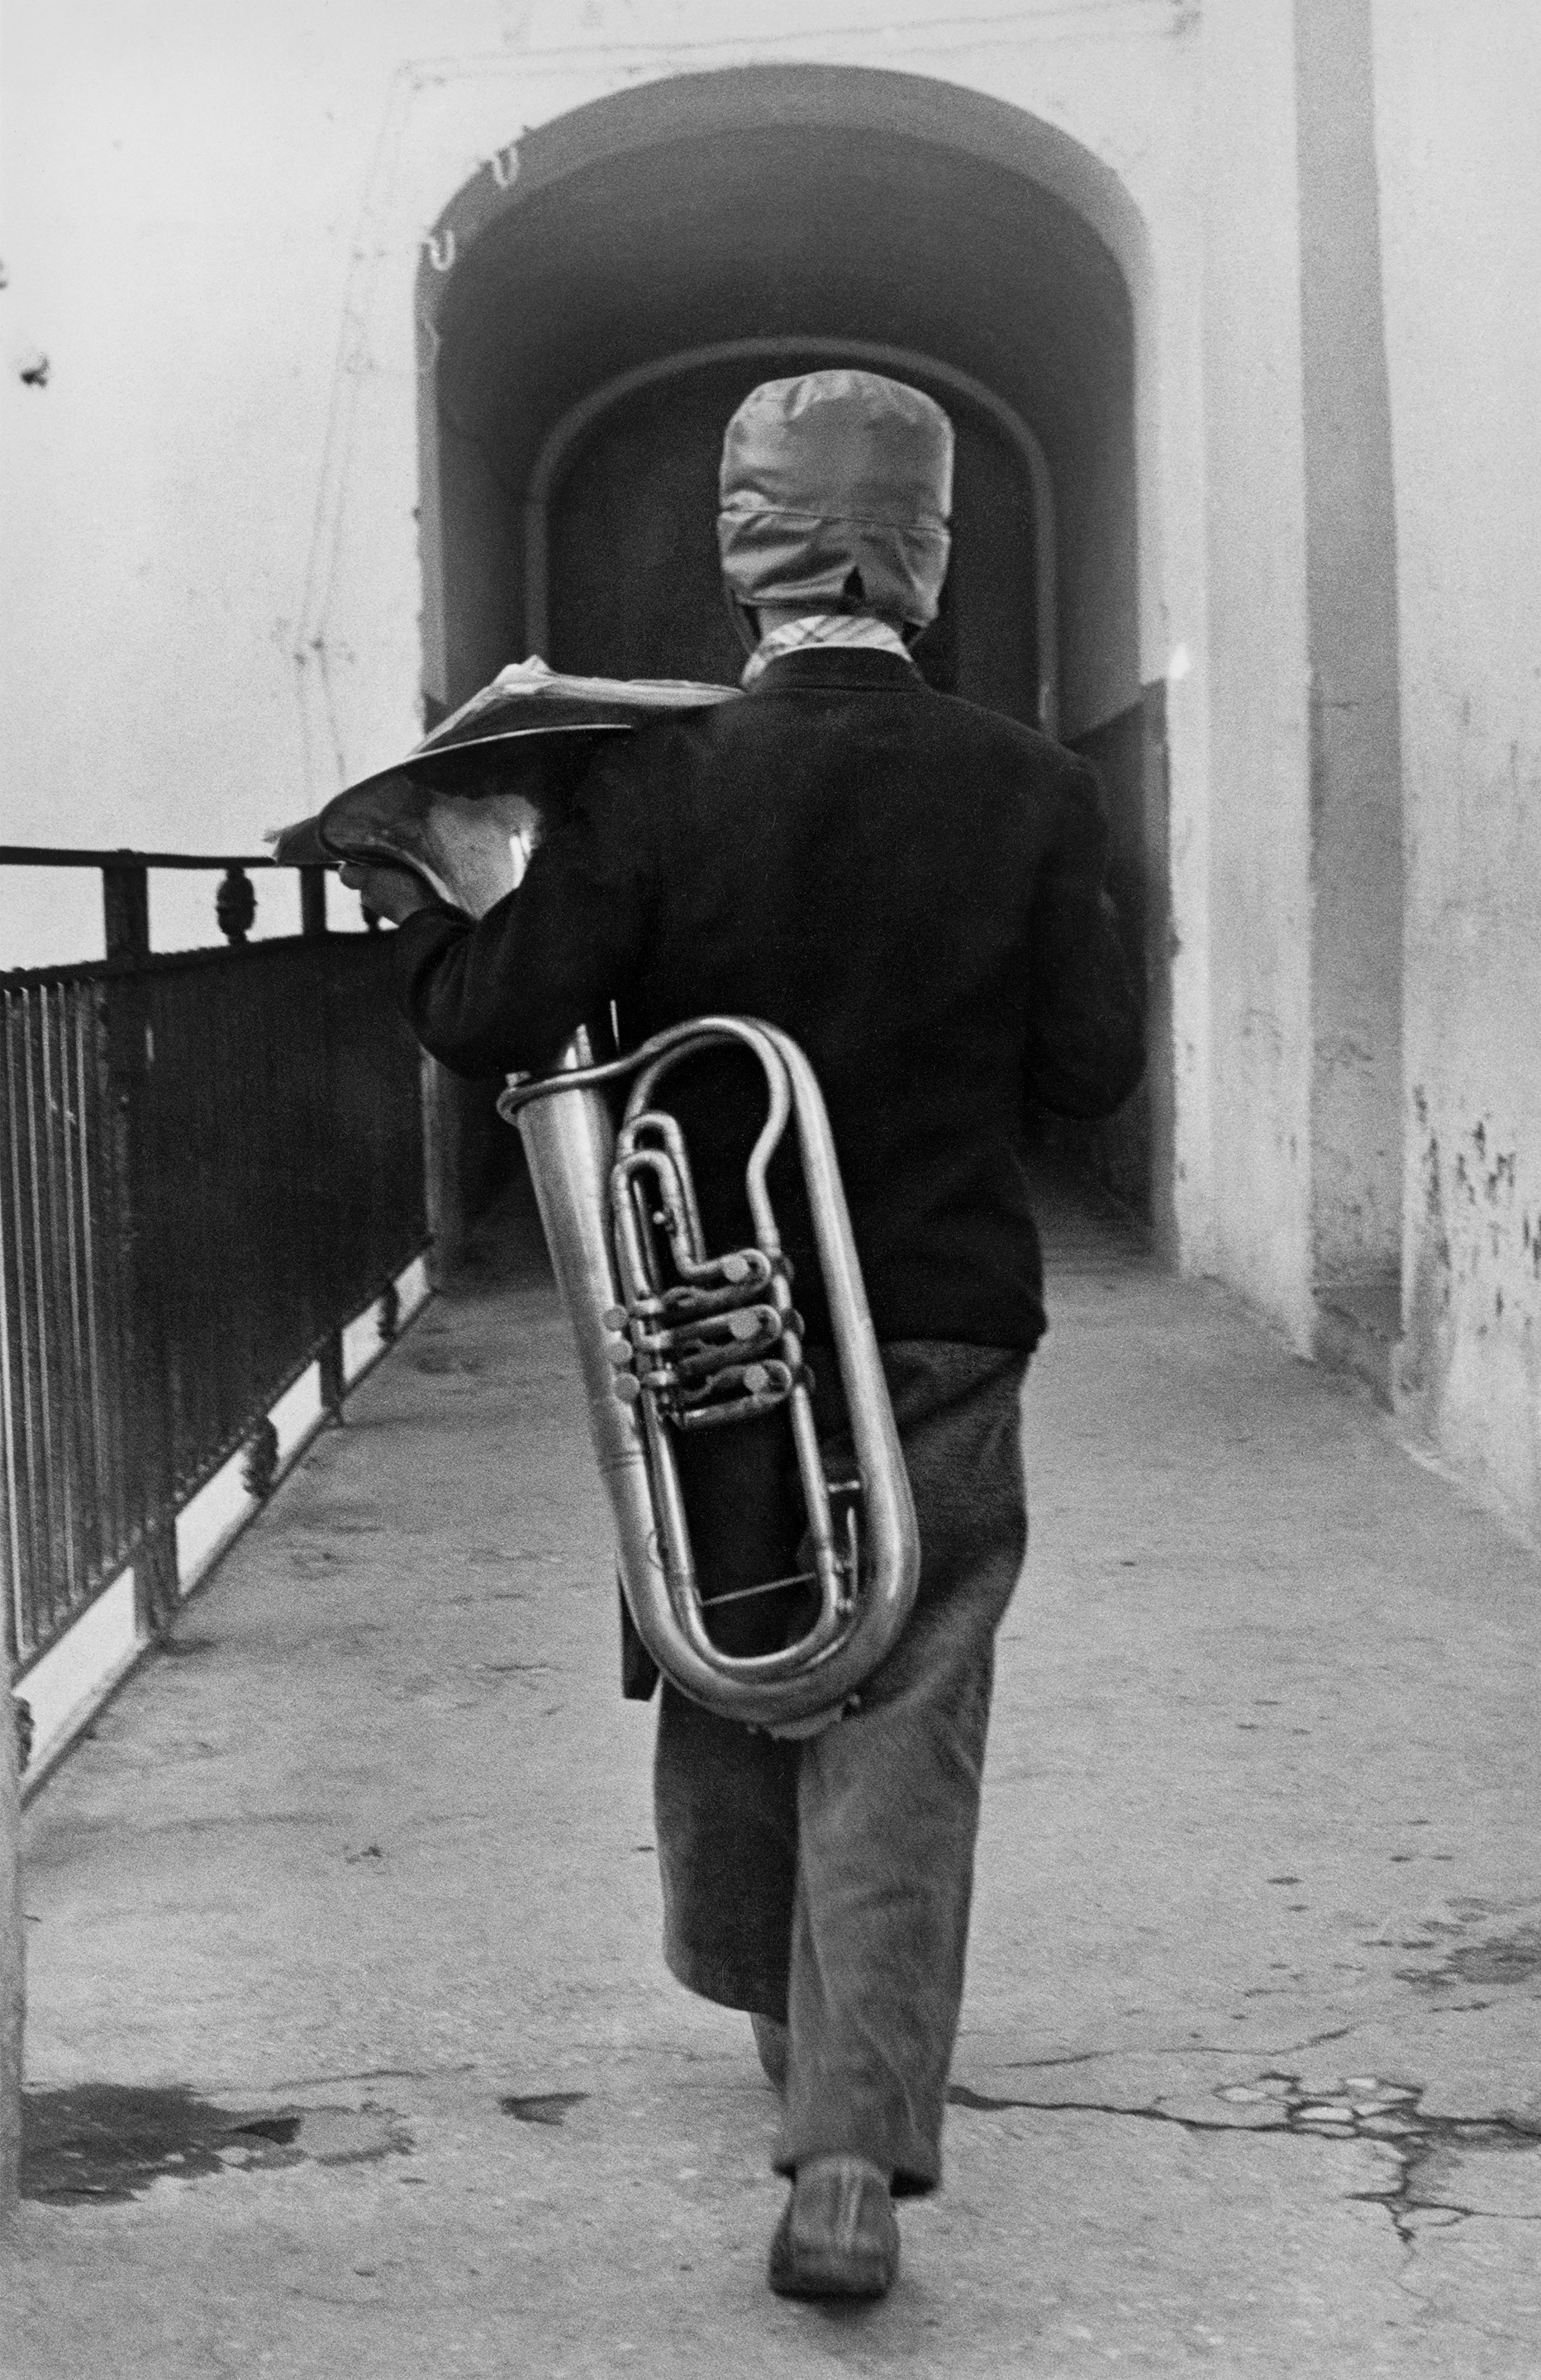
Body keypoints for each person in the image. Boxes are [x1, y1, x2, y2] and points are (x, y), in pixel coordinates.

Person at [347, 369, 1144, 2301]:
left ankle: (794, 2031)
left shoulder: (647, 779)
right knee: (912, 1686)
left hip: (716, 1308)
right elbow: (1090, 1073)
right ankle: (850, 2133)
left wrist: (463, 884)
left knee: (742, 1652)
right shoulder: (1039, 783)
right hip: (943, 1313)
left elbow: (482, 1027)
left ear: (741, 555)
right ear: (930, 557)